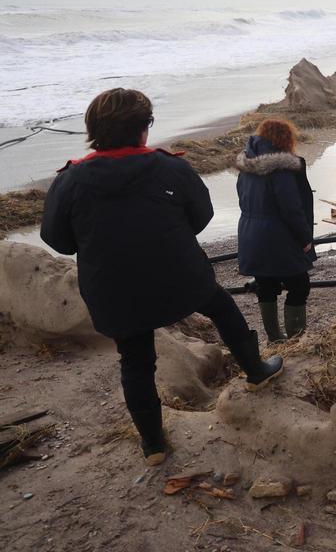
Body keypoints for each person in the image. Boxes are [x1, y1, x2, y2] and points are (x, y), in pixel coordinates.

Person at [40, 89, 283, 466]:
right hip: (181, 279)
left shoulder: (70, 181)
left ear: (93, 131)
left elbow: (58, 240)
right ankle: (256, 371)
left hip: (114, 292)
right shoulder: (171, 168)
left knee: (135, 361)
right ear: (144, 128)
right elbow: (201, 217)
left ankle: (153, 444)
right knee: (221, 307)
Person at [234, 119, 315, 342]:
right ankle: (296, 341)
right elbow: (291, 208)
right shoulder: (281, 168)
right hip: (277, 236)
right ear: (284, 139)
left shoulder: (246, 165)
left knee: (265, 285)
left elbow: (241, 197)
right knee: (300, 286)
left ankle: (274, 338)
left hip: (250, 233)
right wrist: (305, 238)